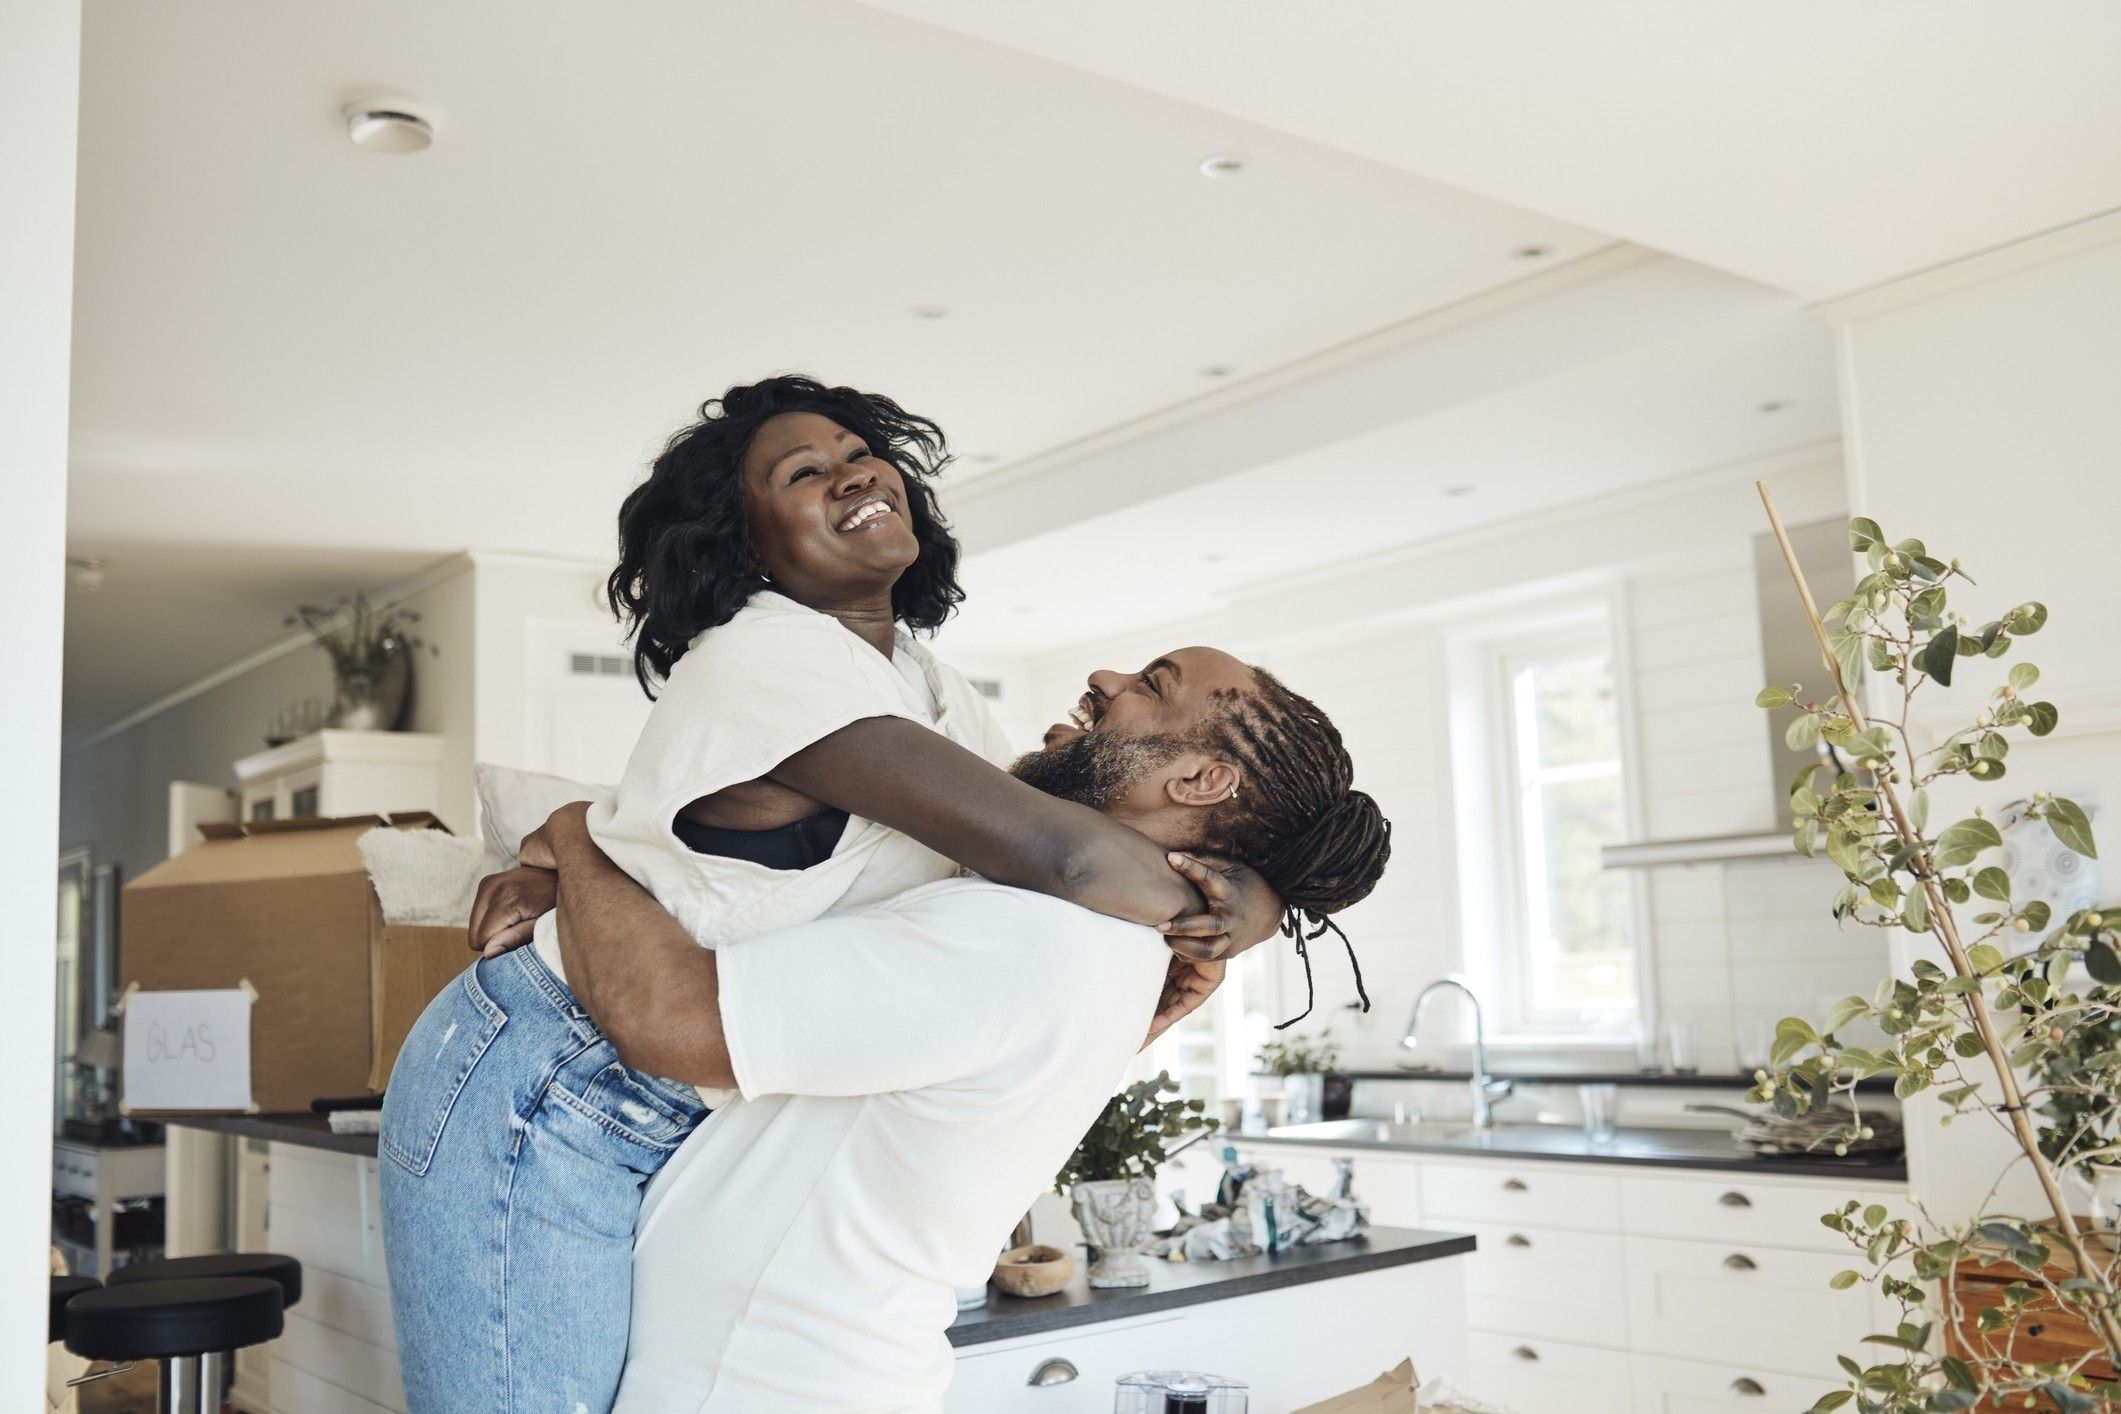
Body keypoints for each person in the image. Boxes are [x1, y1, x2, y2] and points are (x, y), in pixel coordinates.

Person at [378, 377, 1282, 1414]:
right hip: (548, 1078)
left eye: (858, 452)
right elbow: (1069, 861)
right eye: (803, 472)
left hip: (666, 1089)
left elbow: (1034, 866)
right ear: (744, 544)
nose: (853, 474)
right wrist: (1247, 901)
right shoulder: (766, 657)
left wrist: (1225, 914)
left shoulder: (926, 683)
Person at [494, 646, 1392, 1411]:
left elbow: (664, 1019)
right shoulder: (1098, 941)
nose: (1105, 676)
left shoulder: (1031, 937)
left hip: (758, 1382)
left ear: (1199, 780)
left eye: (1152, 684)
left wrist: (578, 837)